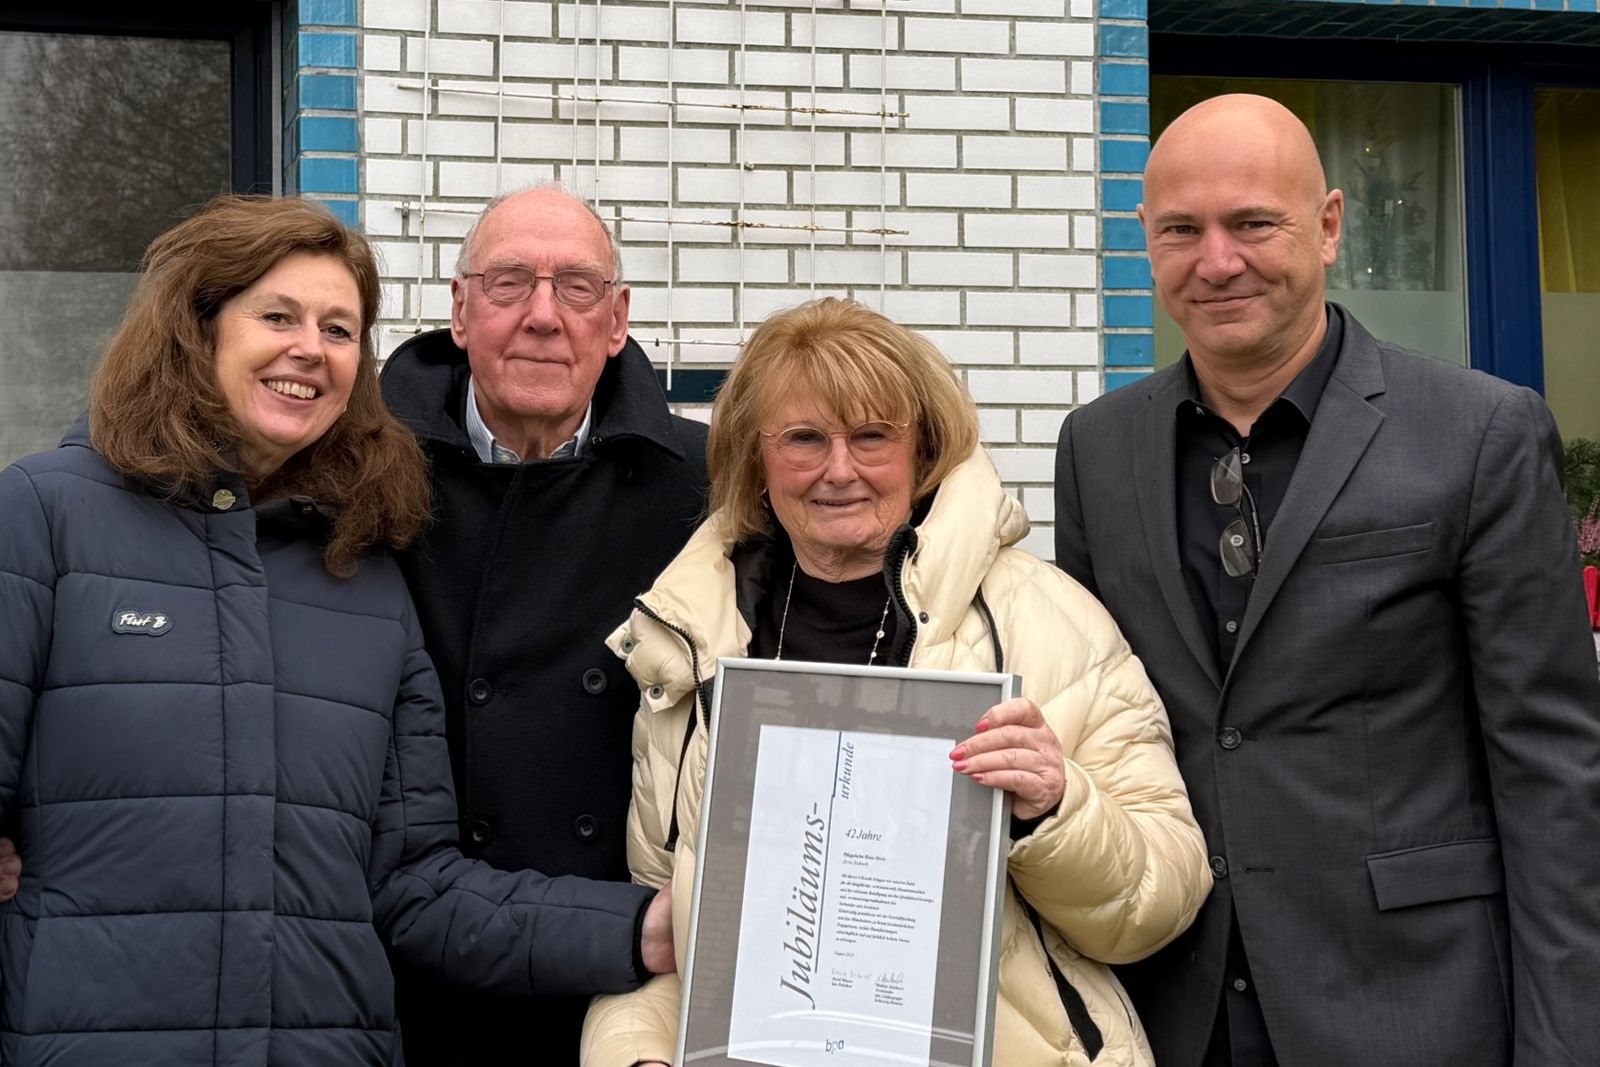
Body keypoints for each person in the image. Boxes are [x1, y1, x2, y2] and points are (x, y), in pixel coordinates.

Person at [0, 195, 672, 1065]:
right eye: (277, 316)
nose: (310, 348)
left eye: (339, 329)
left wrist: (645, 927)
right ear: (197, 328)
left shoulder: (360, 572)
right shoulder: (45, 517)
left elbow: (414, 887)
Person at [1054, 94, 1600, 1067]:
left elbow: (1552, 769)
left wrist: (1565, 1041)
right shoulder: (1096, 448)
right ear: (1144, 236)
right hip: (1173, 1010)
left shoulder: (1478, 433)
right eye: (1180, 230)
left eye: (1252, 222)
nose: (1217, 260)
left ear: (1330, 225)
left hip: (1415, 1007)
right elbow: (1100, 724)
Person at [580, 297, 1213, 1067]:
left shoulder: (1045, 620)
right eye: (804, 438)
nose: (839, 469)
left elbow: (1163, 898)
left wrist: (1054, 808)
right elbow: (665, 925)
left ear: (924, 452)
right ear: (756, 457)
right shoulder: (689, 642)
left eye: (872, 436)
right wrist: (637, 1053)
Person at [379, 184, 709, 1064]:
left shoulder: (707, 484)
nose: (542, 315)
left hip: (631, 984)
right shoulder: (365, 474)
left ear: (617, 319)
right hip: (419, 982)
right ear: (459, 311)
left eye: (577, 287)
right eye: (509, 281)